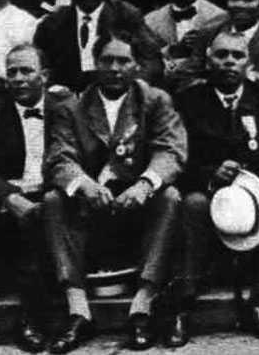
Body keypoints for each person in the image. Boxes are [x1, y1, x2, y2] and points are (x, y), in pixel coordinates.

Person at [42, 37, 189, 351]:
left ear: (135, 65)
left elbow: (171, 151)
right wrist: (83, 183)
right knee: (54, 200)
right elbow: (59, 157)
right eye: (107, 60)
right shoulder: (72, 106)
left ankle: (143, 305)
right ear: (95, 63)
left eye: (123, 61)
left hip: (137, 207)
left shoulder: (154, 100)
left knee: (171, 196)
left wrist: (145, 184)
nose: (114, 68)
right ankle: (78, 309)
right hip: (91, 206)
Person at [172, 31, 259, 342]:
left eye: (237, 55)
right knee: (192, 204)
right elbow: (176, 156)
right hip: (210, 188)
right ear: (208, 60)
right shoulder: (188, 102)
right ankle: (185, 302)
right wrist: (209, 173)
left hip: (258, 189)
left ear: (249, 62)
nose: (229, 62)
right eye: (221, 55)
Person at [0, 45, 69, 351]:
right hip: (8, 199)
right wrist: (9, 197)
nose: (19, 79)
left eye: (27, 71)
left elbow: (79, 157)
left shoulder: (65, 109)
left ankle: (33, 316)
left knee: (39, 223)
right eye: (12, 72)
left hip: (52, 196)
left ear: (45, 76)